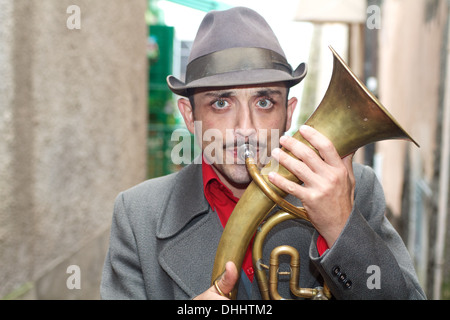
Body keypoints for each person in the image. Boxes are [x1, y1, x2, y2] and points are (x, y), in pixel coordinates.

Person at [100, 6, 425, 300]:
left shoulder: (357, 190)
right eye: (221, 103)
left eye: (264, 101)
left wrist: (341, 229)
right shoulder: (137, 214)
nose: (246, 128)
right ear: (190, 116)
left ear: (289, 113)